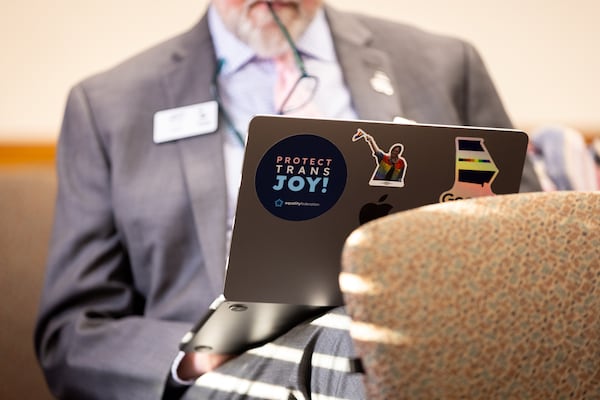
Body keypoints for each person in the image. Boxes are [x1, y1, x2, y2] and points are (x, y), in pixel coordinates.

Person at [34, 1, 542, 399]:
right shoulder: (109, 107)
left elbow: (530, 249)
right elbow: (73, 332)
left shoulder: (445, 64)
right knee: (361, 355)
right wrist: (191, 357)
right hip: (229, 371)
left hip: (422, 338)